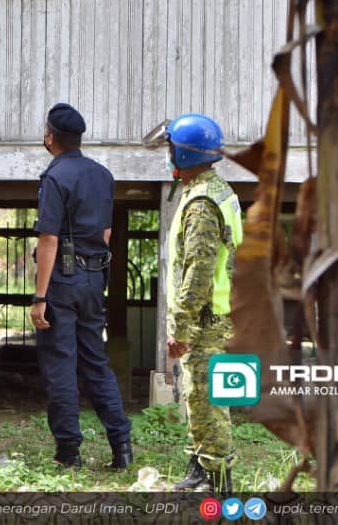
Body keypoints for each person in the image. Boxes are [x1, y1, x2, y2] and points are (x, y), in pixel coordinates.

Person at [30, 103, 134, 470]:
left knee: (61, 364)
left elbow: (48, 240)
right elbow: (105, 233)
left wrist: (40, 296)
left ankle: (68, 452)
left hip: (61, 280)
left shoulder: (55, 178)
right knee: (96, 362)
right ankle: (121, 446)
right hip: (93, 279)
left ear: (50, 137)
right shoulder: (102, 176)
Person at [148, 114, 243, 495]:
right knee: (197, 396)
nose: (168, 154)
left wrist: (179, 328)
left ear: (185, 153)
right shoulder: (213, 190)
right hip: (215, 315)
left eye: (171, 148)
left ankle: (218, 482)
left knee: (208, 400)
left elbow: (198, 273)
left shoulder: (203, 203)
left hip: (206, 319)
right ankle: (199, 466)